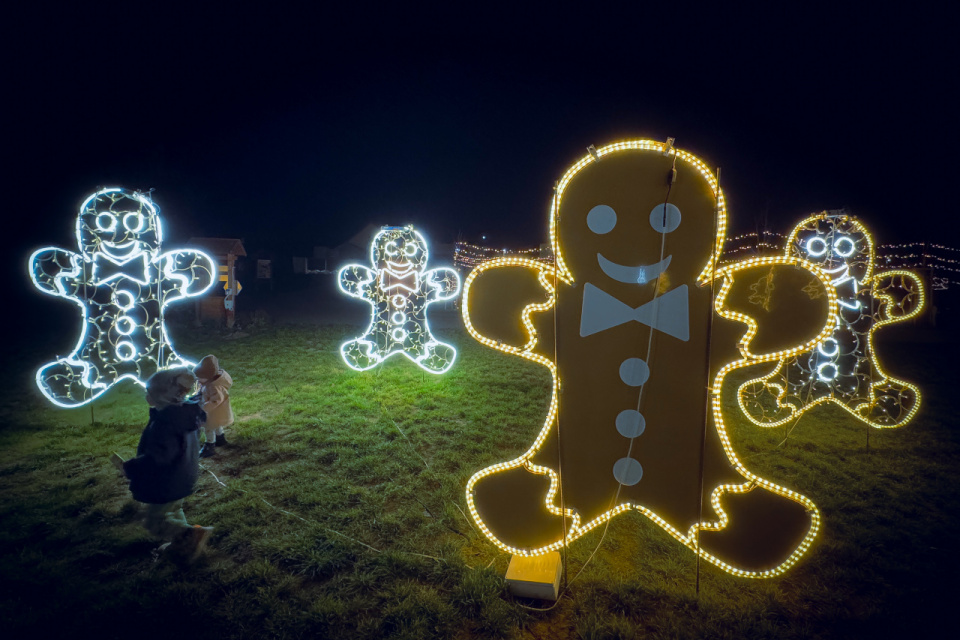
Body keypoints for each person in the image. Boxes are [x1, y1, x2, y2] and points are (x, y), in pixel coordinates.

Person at [117, 367, 213, 563]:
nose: (146, 396)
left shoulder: (167, 423)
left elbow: (159, 456)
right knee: (173, 510)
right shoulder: (184, 414)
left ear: (162, 396)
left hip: (166, 480)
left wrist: (133, 467)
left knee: (156, 521)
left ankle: (190, 535)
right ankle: (187, 548)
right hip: (182, 476)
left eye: (149, 392)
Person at [194, 354, 234, 458]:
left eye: (200, 378)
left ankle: (210, 445)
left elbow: (216, 400)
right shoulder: (207, 384)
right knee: (216, 425)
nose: (198, 380)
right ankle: (220, 439)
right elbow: (203, 391)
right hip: (214, 412)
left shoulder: (213, 387)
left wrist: (203, 407)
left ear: (208, 376)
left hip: (212, 411)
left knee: (208, 427)